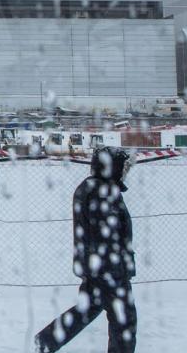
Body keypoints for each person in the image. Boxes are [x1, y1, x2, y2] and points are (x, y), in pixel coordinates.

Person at [35, 147, 138, 353]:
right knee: (124, 320)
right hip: (108, 270)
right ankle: (44, 342)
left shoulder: (96, 188)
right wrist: (114, 268)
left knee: (87, 310)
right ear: (111, 167)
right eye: (122, 166)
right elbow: (106, 234)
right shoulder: (101, 192)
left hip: (98, 267)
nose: (125, 171)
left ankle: (45, 342)